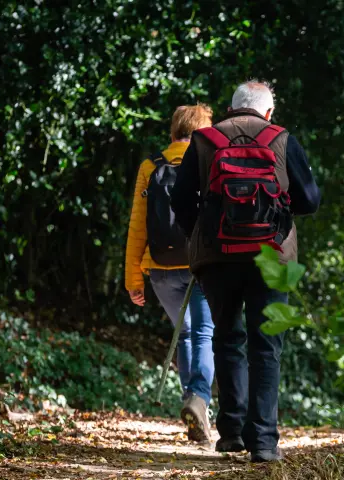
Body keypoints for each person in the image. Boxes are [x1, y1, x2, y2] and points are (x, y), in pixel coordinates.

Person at [170, 81, 321, 462]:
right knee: (266, 346)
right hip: (273, 258)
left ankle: (232, 432)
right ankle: (265, 442)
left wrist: (201, 234)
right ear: (267, 113)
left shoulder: (204, 140)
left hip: (218, 257)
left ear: (232, 108)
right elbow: (310, 199)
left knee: (226, 338)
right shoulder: (282, 138)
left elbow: (181, 200)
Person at [124, 104, 215, 444]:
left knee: (187, 333)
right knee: (204, 333)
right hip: (200, 266)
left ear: (174, 130)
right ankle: (199, 399)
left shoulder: (151, 166)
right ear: (204, 130)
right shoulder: (209, 161)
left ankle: (195, 406)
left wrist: (133, 280)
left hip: (160, 270)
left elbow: (137, 227)